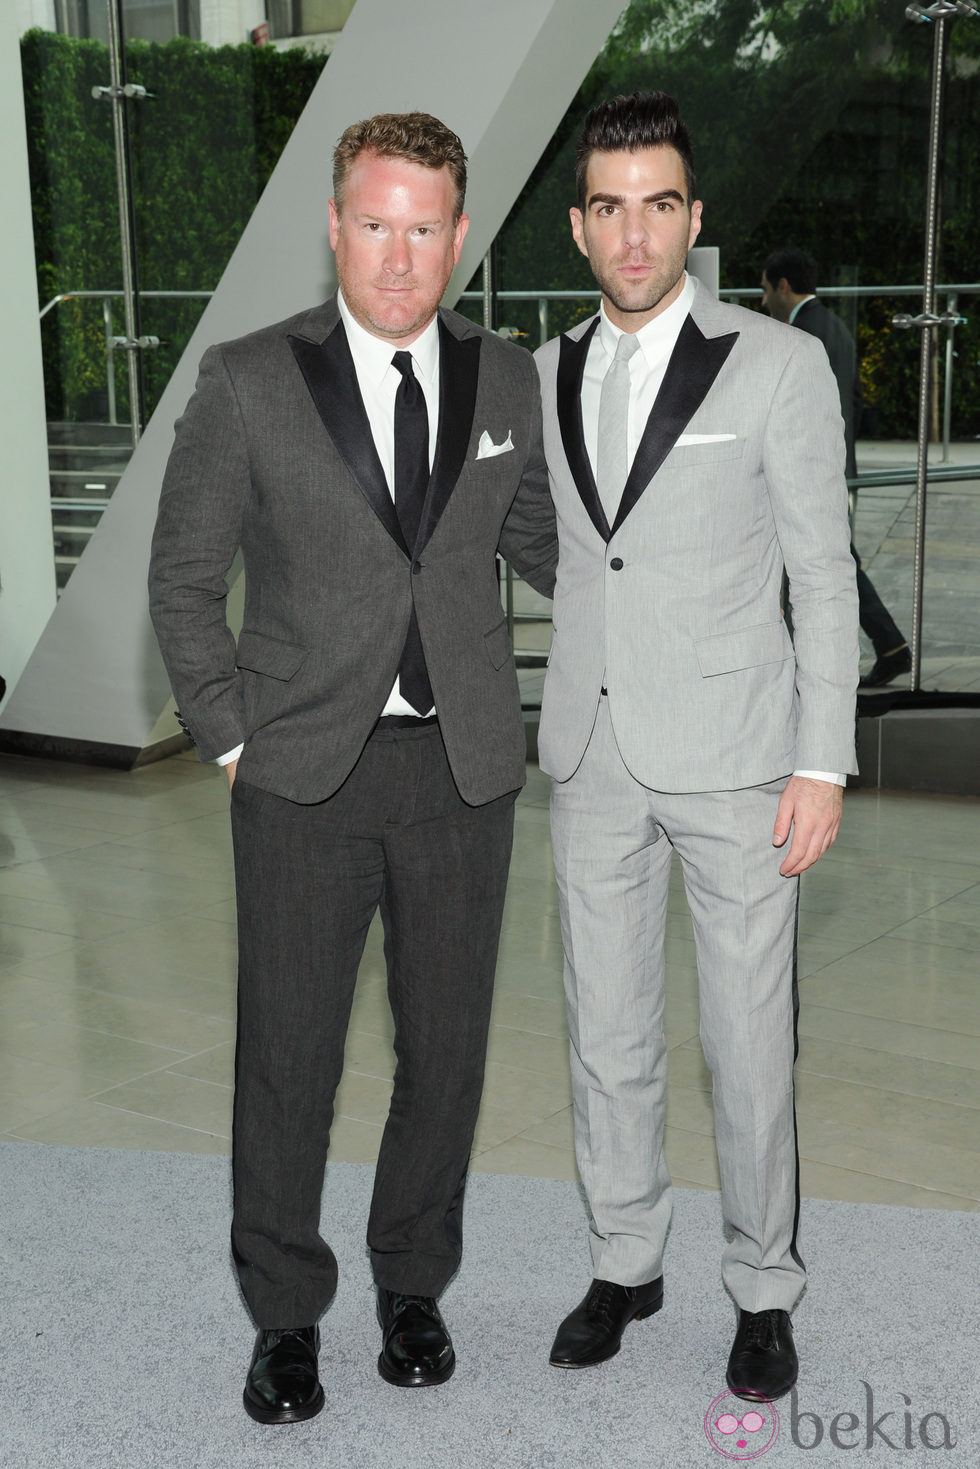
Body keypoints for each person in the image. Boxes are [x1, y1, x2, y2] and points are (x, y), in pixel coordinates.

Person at [148, 111, 557, 1424]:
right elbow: (182, 582)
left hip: (463, 773)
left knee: (446, 1052)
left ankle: (412, 1282)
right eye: (373, 223)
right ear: (334, 226)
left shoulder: (505, 381)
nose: (397, 253)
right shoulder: (248, 379)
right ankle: (284, 1314)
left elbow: (556, 547)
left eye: (423, 226)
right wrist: (227, 734)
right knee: (290, 1056)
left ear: (457, 234)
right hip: (302, 775)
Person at [534, 92, 859, 1402]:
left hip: (738, 757)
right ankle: (625, 1258)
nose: (634, 232)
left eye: (658, 203)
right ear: (577, 224)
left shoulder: (776, 366)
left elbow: (822, 577)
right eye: (609, 205)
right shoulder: (546, 368)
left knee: (746, 1041)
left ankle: (764, 1284)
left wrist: (823, 763)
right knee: (604, 1032)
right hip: (592, 755)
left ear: (695, 217)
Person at [761, 248, 911, 688]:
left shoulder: (801, 335)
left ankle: (878, 648)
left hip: (811, 471)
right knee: (837, 561)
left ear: (783, 286)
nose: (764, 300)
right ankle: (889, 646)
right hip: (836, 464)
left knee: (826, 566)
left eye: (766, 289)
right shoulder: (836, 327)